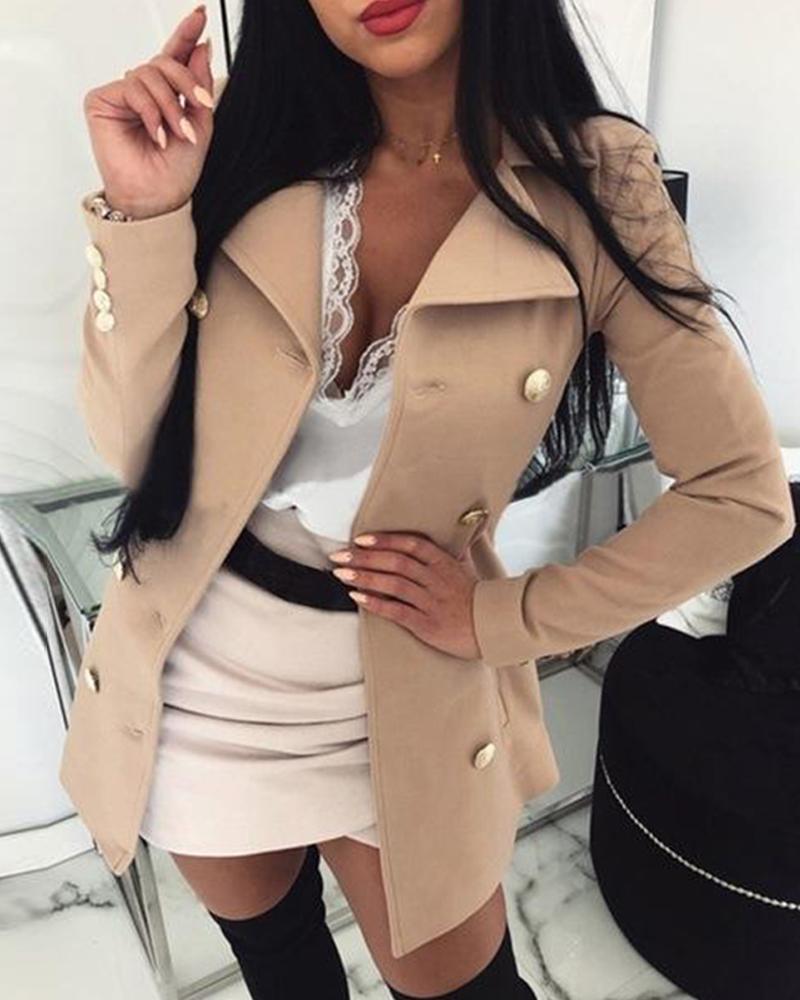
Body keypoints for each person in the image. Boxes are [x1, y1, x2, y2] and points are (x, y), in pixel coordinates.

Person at [70, 1, 794, 997]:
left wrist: (504, 617)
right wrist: (144, 214)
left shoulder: (595, 179)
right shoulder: (237, 134)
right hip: (202, 668)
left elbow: (741, 493)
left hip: (408, 686)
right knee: (281, 966)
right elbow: (136, 451)